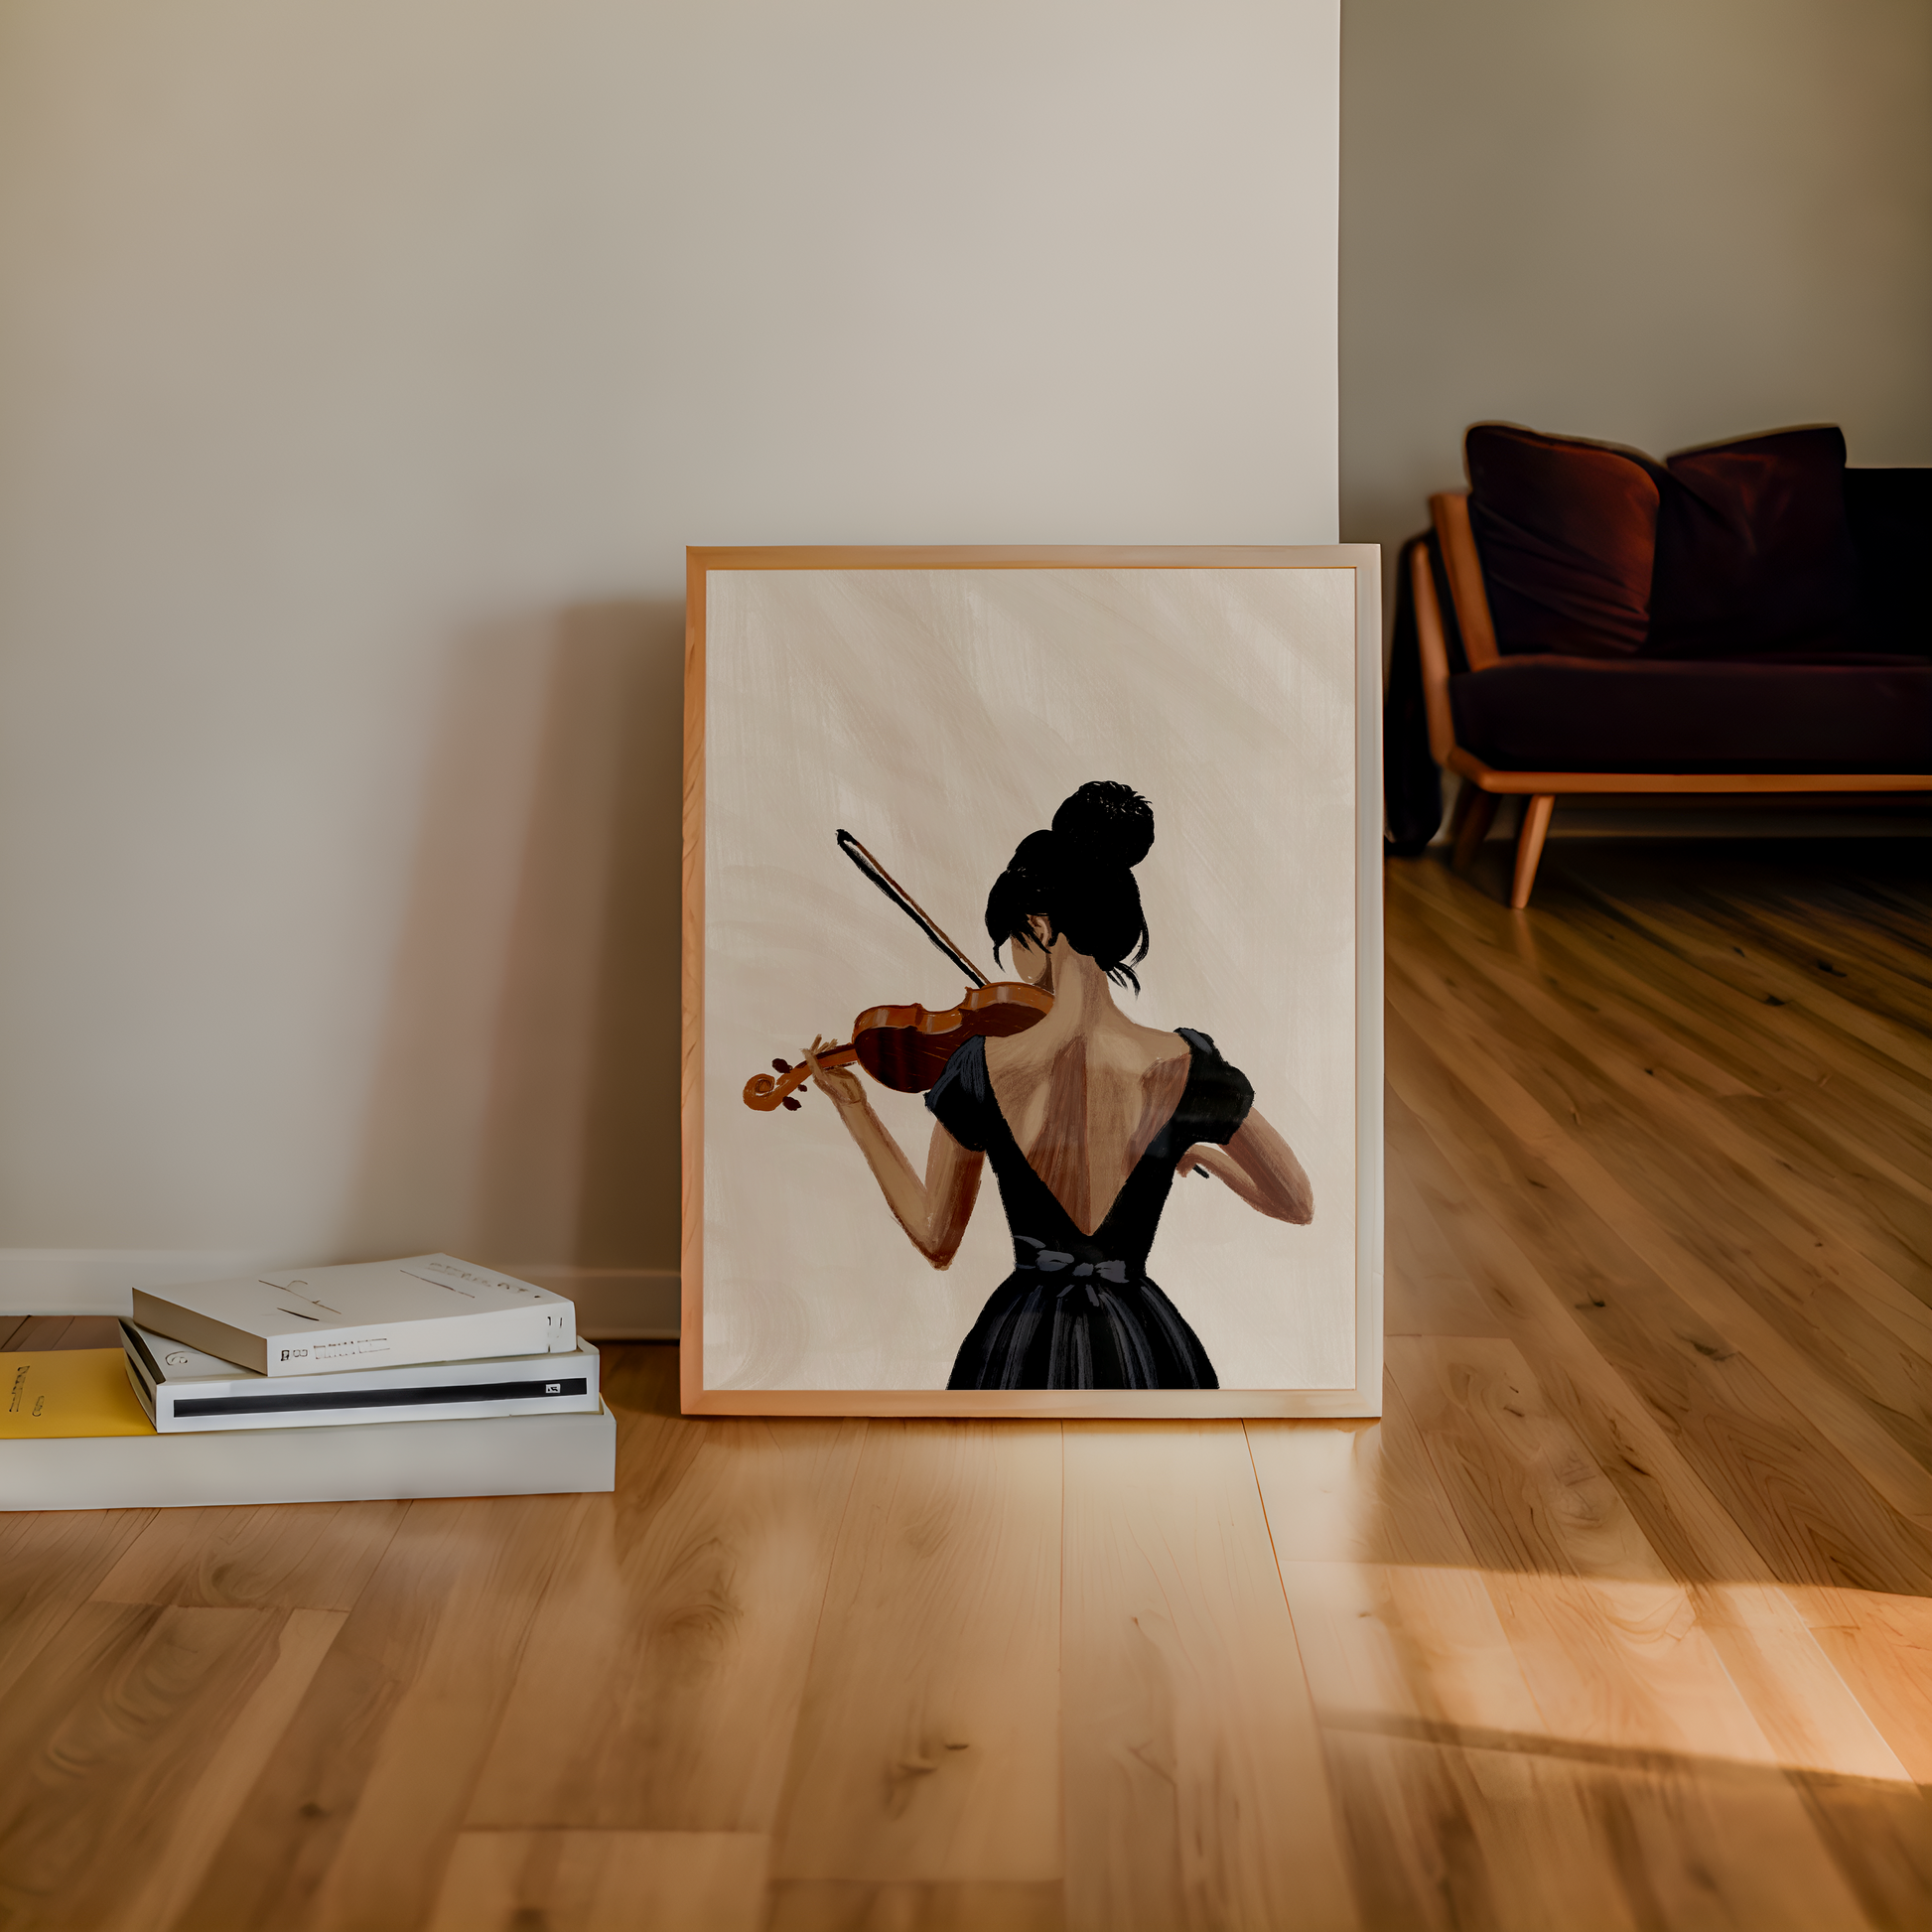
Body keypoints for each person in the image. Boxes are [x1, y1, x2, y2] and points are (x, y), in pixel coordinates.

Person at [804, 781, 1313, 1391]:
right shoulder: (1188, 1063)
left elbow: (936, 1238)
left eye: (1012, 940)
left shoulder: (979, 1065)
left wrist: (856, 1109)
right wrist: (1202, 1153)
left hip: (1018, 1338)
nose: (1010, 964)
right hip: (1144, 1339)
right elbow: (1296, 1202)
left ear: (1041, 926)